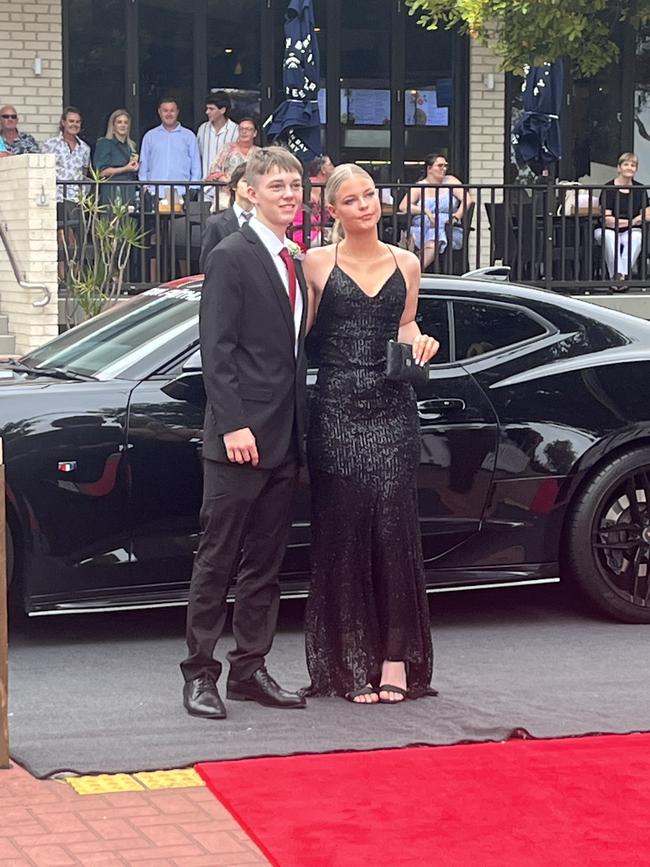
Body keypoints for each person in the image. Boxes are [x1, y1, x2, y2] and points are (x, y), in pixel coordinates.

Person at [302, 164, 439, 704]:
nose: (365, 205)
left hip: (392, 410)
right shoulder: (315, 262)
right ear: (332, 212)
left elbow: (406, 326)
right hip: (335, 409)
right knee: (343, 537)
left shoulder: (406, 262)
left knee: (393, 533)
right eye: (352, 199)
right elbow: (301, 337)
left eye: (370, 195)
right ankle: (348, 663)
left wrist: (421, 342)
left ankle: (395, 661)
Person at [180, 146, 309, 719]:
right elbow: (218, 347)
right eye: (277, 185)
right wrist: (233, 423)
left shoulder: (296, 259)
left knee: (265, 564)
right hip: (238, 438)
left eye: (296, 185)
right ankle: (199, 675)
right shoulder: (232, 255)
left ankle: (250, 670)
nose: (289, 194)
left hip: (287, 437)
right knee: (217, 559)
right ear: (250, 192)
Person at [398, 153, 471, 270]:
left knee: (435, 237)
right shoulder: (420, 186)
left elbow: (467, 199)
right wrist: (425, 211)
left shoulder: (451, 181)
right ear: (429, 168)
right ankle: (412, 269)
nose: (444, 169)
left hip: (447, 227)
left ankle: (414, 271)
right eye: (440, 166)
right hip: (422, 227)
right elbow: (403, 206)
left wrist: (456, 216)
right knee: (413, 239)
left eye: (445, 166)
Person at [595, 152, 650, 289]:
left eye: (633, 165)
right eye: (626, 164)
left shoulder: (640, 190)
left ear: (636, 170)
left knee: (637, 237)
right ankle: (620, 277)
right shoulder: (608, 189)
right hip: (607, 230)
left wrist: (631, 222)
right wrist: (634, 220)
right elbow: (608, 221)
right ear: (619, 168)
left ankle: (619, 278)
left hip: (630, 231)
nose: (629, 168)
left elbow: (647, 215)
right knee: (609, 237)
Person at [138, 96, 201, 199]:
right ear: (159, 112)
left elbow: (196, 165)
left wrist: (193, 188)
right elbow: (143, 164)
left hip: (182, 192)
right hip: (155, 192)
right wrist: (145, 187)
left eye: (172, 111)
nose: (169, 114)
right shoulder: (150, 136)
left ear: (177, 112)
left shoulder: (189, 136)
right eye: (165, 111)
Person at [198, 163, 255, 272]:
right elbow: (207, 263)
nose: (250, 186)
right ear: (234, 186)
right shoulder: (215, 223)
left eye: (255, 182)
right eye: (245, 181)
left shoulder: (266, 221)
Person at [206, 117, 260, 211]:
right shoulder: (227, 149)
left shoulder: (260, 153)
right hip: (226, 196)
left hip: (252, 196)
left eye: (248, 129)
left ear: (254, 133)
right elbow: (214, 171)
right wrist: (225, 179)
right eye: (241, 129)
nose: (244, 132)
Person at [41, 106, 91, 204]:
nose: (75, 124)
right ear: (63, 123)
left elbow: (84, 172)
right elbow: (42, 171)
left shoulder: (85, 148)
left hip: (76, 199)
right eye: (71, 121)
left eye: (78, 122)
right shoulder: (50, 144)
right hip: (55, 198)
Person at [197, 91, 239, 197]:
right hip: (205, 187)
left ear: (222, 110)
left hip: (226, 189)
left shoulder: (236, 130)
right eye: (207, 108)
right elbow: (198, 155)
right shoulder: (203, 129)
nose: (207, 112)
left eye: (211, 109)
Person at [94, 109, 140, 205]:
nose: (123, 125)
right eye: (119, 122)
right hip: (112, 190)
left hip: (129, 190)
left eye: (125, 122)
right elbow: (101, 172)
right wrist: (125, 168)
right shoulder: (104, 143)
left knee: (130, 219)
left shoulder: (131, 146)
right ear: (113, 126)